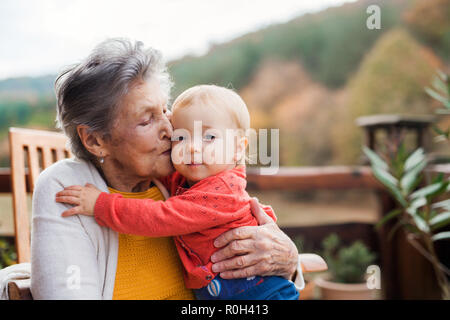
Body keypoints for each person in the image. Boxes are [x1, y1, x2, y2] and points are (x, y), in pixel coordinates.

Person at [30, 38, 303, 299]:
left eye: (165, 110)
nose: (169, 129)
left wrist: (288, 259)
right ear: (95, 140)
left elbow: (248, 224)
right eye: (147, 120)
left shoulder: (183, 176)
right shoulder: (67, 186)